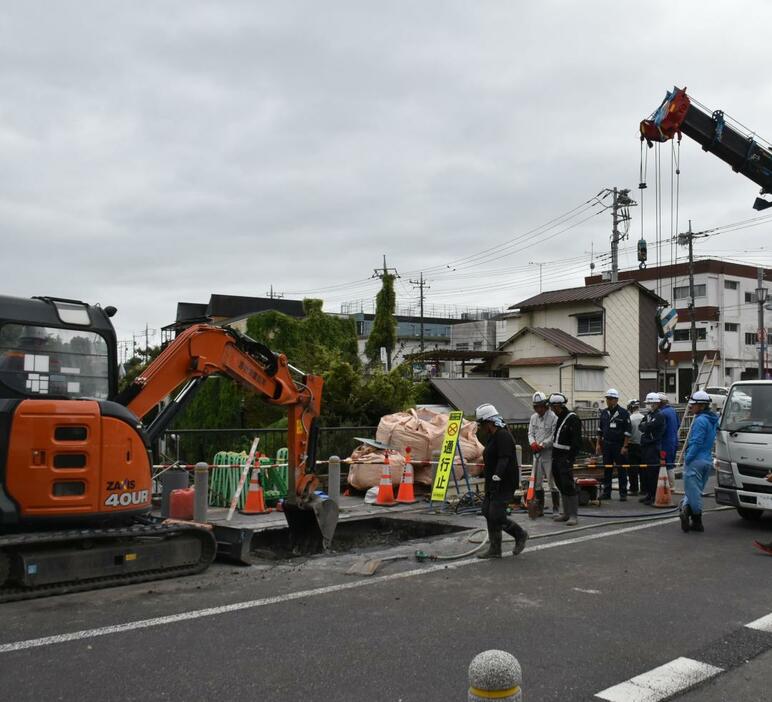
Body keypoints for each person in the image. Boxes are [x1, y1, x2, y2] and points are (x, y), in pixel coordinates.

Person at [475, 403, 529, 558]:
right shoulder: (493, 437)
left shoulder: (503, 435)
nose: (481, 427)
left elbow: (504, 459)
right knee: (487, 511)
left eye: (482, 424)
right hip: (492, 482)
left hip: (504, 482)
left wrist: (497, 477)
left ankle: (520, 534)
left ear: (490, 422)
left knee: (496, 514)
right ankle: (495, 548)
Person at [679, 390, 719, 533]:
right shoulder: (713, 419)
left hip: (695, 461)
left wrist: (687, 458)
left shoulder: (700, 420)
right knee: (695, 491)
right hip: (707, 460)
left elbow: (696, 442)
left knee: (693, 493)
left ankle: (696, 521)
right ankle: (686, 511)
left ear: (701, 406)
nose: (691, 407)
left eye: (693, 405)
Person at [549, 393, 583, 526]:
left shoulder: (573, 419)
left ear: (558, 406)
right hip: (556, 456)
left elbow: (577, 442)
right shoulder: (560, 417)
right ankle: (566, 513)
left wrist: (570, 459)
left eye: (552, 407)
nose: (551, 409)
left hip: (565, 456)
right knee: (560, 484)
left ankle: (573, 515)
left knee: (568, 484)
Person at [595, 388, 632, 501]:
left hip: (619, 444)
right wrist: (598, 445)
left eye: (610, 399)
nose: (608, 401)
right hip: (607, 445)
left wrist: (625, 446)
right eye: (607, 399)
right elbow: (600, 430)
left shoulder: (623, 413)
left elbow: (627, 431)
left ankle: (623, 493)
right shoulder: (604, 413)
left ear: (616, 400)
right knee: (607, 469)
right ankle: (607, 492)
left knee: (621, 469)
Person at [527, 391, 558, 516]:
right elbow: (530, 433)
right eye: (536, 406)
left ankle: (556, 507)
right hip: (537, 455)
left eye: (540, 406)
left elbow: (553, 436)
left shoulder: (553, 418)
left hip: (548, 454)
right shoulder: (533, 418)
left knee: (552, 482)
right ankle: (540, 508)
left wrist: (542, 445)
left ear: (545, 405)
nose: (538, 409)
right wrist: (532, 443)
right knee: (537, 482)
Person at [639, 392, 666, 505]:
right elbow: (641, 426)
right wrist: (647, 425)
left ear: (655, 403)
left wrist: (647, 425)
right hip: (646, 446)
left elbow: (650, 426)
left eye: (650, 403)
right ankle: (649, 494)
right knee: (646, 472)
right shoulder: (649, 415)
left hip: (653, 446)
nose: (648, 405)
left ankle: (653, 495)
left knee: (652, 472)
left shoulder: (659, 416)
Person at [658, 392, 681, 489]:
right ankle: (671, 485)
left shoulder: (662, 413)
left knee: (666, 464)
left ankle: (670, 486)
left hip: (665, 442)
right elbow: (678, 424)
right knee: (670, 463)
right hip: (673, 441)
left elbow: (660, 430)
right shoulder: (672, 410)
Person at [627, 399, 644, 496]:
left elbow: (627, 434)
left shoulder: (630, 418)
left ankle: (633, 489)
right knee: (643, 468)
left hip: (632, 445)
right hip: (643, 445)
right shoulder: (644, 417)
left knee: (632, 469)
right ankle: (644, 488)